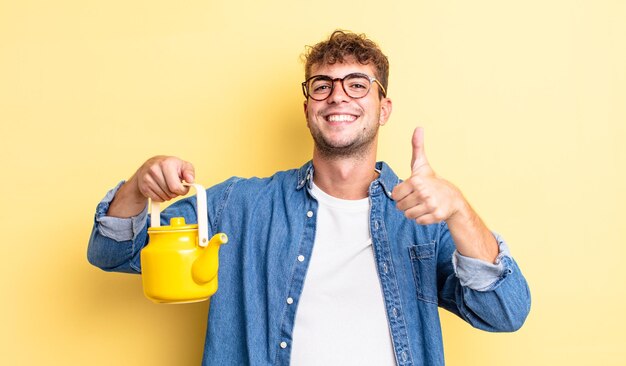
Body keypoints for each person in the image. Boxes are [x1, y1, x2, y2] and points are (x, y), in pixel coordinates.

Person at [88, 30, 531, 366]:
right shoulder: (238, 207)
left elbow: (504, 312)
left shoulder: (424, 218)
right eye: (322, 85)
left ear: (384, 107)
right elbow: (113, 251)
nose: (337, 95)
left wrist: (458, 210)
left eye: (357, 84)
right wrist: (137, 186)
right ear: (307, 108)